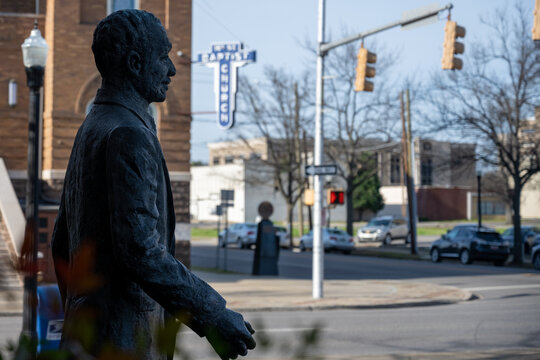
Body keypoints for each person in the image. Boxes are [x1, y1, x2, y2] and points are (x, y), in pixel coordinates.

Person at [51, 9, 255, 360]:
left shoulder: (94, 125)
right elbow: (141, 251)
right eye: (164, 57)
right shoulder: (128, 134)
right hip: (124, 340)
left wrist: (82, 308)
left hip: (86, 332)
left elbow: (60, 242)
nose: (172, 70)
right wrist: (213, 313)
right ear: (134, 63)